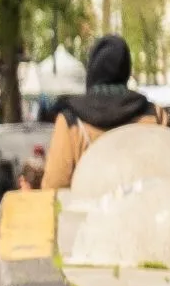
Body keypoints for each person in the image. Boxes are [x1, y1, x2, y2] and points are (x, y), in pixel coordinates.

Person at [39, 35, 155, 190]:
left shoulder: (71, 120)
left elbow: (54, 184)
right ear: (126, 69)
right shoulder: (153, 114)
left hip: (88, 212)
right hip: (143, 210)